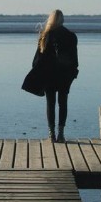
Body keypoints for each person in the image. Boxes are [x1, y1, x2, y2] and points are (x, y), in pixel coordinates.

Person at [30, 9, 78, 143]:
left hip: (49, 74)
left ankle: (51, 135)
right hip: (64, 74)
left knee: (50, 104)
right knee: (63, 103)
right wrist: (73, 73)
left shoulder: (45, 35)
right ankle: (61, 135)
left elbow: (37, 59)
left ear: (50, 19)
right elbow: (74, 59)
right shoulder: (71, 36)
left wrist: (37, 73)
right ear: (62, 20)